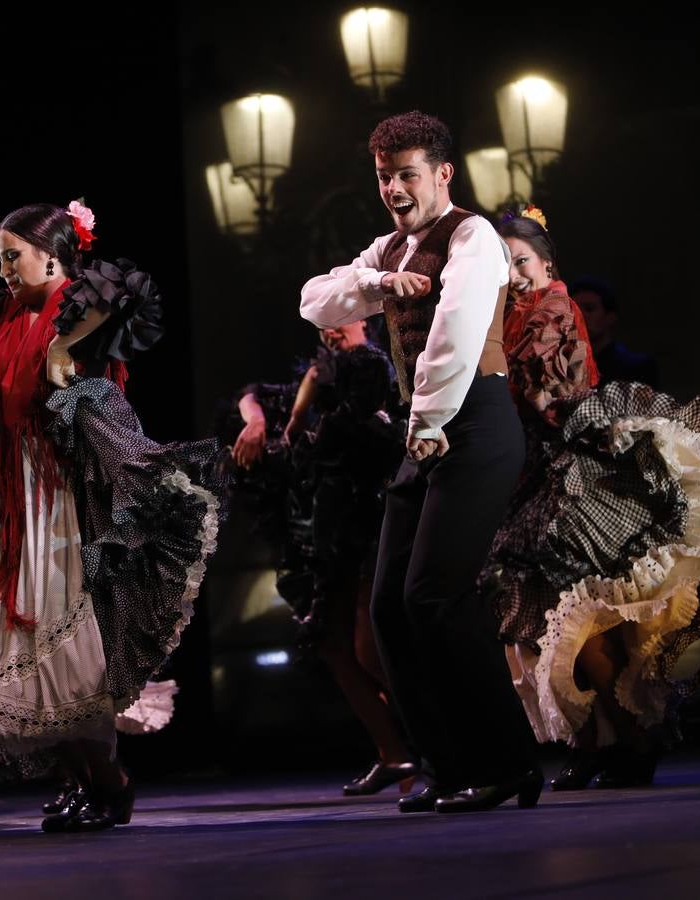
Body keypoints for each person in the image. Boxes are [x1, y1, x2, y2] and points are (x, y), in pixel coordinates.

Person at [0, 201, 226, 832]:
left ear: (51, 251)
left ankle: (108, 784)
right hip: (4, 494)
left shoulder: (81, 302)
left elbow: (131, 291)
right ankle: (83, 782)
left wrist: (62, 342)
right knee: (6, 635)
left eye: (13, 255)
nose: (4, 269)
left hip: (65, 497)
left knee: (64, 632)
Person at [300, 111, 541, 813]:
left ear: (442, 173)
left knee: (434, 596)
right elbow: (317, 300)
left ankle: (505, 763)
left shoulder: (472, 236)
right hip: (427, 432)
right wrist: (378, 286)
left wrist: (430, 420)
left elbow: (457, 333)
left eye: (407, 174)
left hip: (475, 422)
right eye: (384, 177)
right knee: (388, 608)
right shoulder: (392, 249)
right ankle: (446, 764)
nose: (395, 189)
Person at [482, 207, 700, 790]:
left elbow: (547, 394)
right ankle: (601, 743)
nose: (513, 273)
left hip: (572, 471)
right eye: (503, 264)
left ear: (547, 263)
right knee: (552, 621)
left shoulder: (551, 307)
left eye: (522, 261)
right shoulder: (514, 313)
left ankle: (626, 743)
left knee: (576, 619)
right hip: (533, 474)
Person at [224, 320, 415, 796]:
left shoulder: (370, 367)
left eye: (341, 315)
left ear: (364, 320)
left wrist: (300, 409)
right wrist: (256, 419)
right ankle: (396, 754)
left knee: (371, 647)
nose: (331, 327)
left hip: (366, 522)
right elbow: (253, 392)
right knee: (331, 643)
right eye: (323, 319)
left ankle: (440, 744)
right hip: (323, 532)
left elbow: (346, 431)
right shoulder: (318, 374)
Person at [570, 276, 662, 388]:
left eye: (589, 309)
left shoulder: (636, 368)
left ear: (610, 317)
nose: (580, 316)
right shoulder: (563, 369)